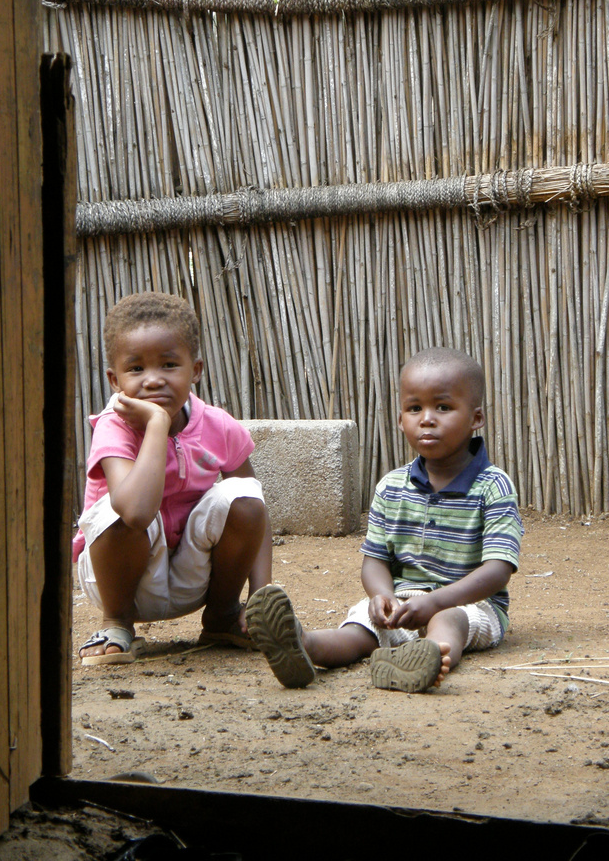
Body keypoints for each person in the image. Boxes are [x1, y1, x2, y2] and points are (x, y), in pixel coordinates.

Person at [246, 347, 523, 693]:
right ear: (400, 418)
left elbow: (498, 570)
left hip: (473, 606)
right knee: (362, 624)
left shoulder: (493, 486)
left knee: (449, 619)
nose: (426, 419)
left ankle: (430, 656)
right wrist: (382, 596)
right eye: (414, 408)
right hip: (404, 602)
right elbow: (375, 561)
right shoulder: (391, 486)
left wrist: (437, 601)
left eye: (443, 407)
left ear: (476, 417)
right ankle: (304, 645)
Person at [74, 292, 271, 665]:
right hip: (118, 583)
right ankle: (117, 625)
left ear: (195, 370)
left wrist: (262, 597)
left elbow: (255, 511)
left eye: (168, 364)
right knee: (117, 508)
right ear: (114, 380)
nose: (152, 380)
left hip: (191, 575)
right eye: (136, 370)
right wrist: (157, 425)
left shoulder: (218, 426)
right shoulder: (112, 429)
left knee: (243, 493)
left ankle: (223, 616)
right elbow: (133, 512)